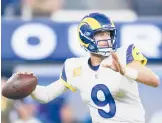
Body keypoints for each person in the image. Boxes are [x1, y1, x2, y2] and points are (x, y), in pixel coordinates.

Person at [17, 13, 160, 123]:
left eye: (108, 34)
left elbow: (154, 80)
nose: (106, 38)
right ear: (86, 37)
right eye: (100, 34)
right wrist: (29, 87)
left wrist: (125, 70)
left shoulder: (123, 55)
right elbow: (46, 95)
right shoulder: (74, 67)